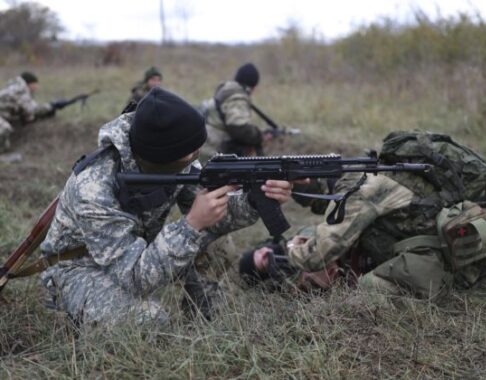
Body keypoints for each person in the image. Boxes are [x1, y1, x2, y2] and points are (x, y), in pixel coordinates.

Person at [39, 88, 294, 327]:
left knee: (217, 245)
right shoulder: (94, 188)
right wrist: (191, 225)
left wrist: (254, 199)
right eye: (190, 154)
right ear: (161, 156)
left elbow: (217, 215)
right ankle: (71, 310)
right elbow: (134, 276)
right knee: (148, 320)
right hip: (79, 268)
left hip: (132, 254)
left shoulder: (174, 159)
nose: (195, 157)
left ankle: (205, 319)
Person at [239, 132, 486, 298]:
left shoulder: (364, 189)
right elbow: (330, 207)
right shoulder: (370, 176)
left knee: (369, 291)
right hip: (461, 237)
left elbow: (321, 251)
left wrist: (293, 254)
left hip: (466, 245)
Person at [200, 62, 272, 160]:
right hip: (212, 153)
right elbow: (238, 126)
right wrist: (259, 137)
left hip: (207, 147)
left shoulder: (227, 91)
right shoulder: (237, 97)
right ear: (252, 87)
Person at [0, 72, 55, 154]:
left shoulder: (15, 87)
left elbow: (25, 111)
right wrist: (50, 106)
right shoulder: (20, 90)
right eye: (35, 84)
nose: (37, 87)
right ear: (30, 84)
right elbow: (31, 109)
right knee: (4, 129)